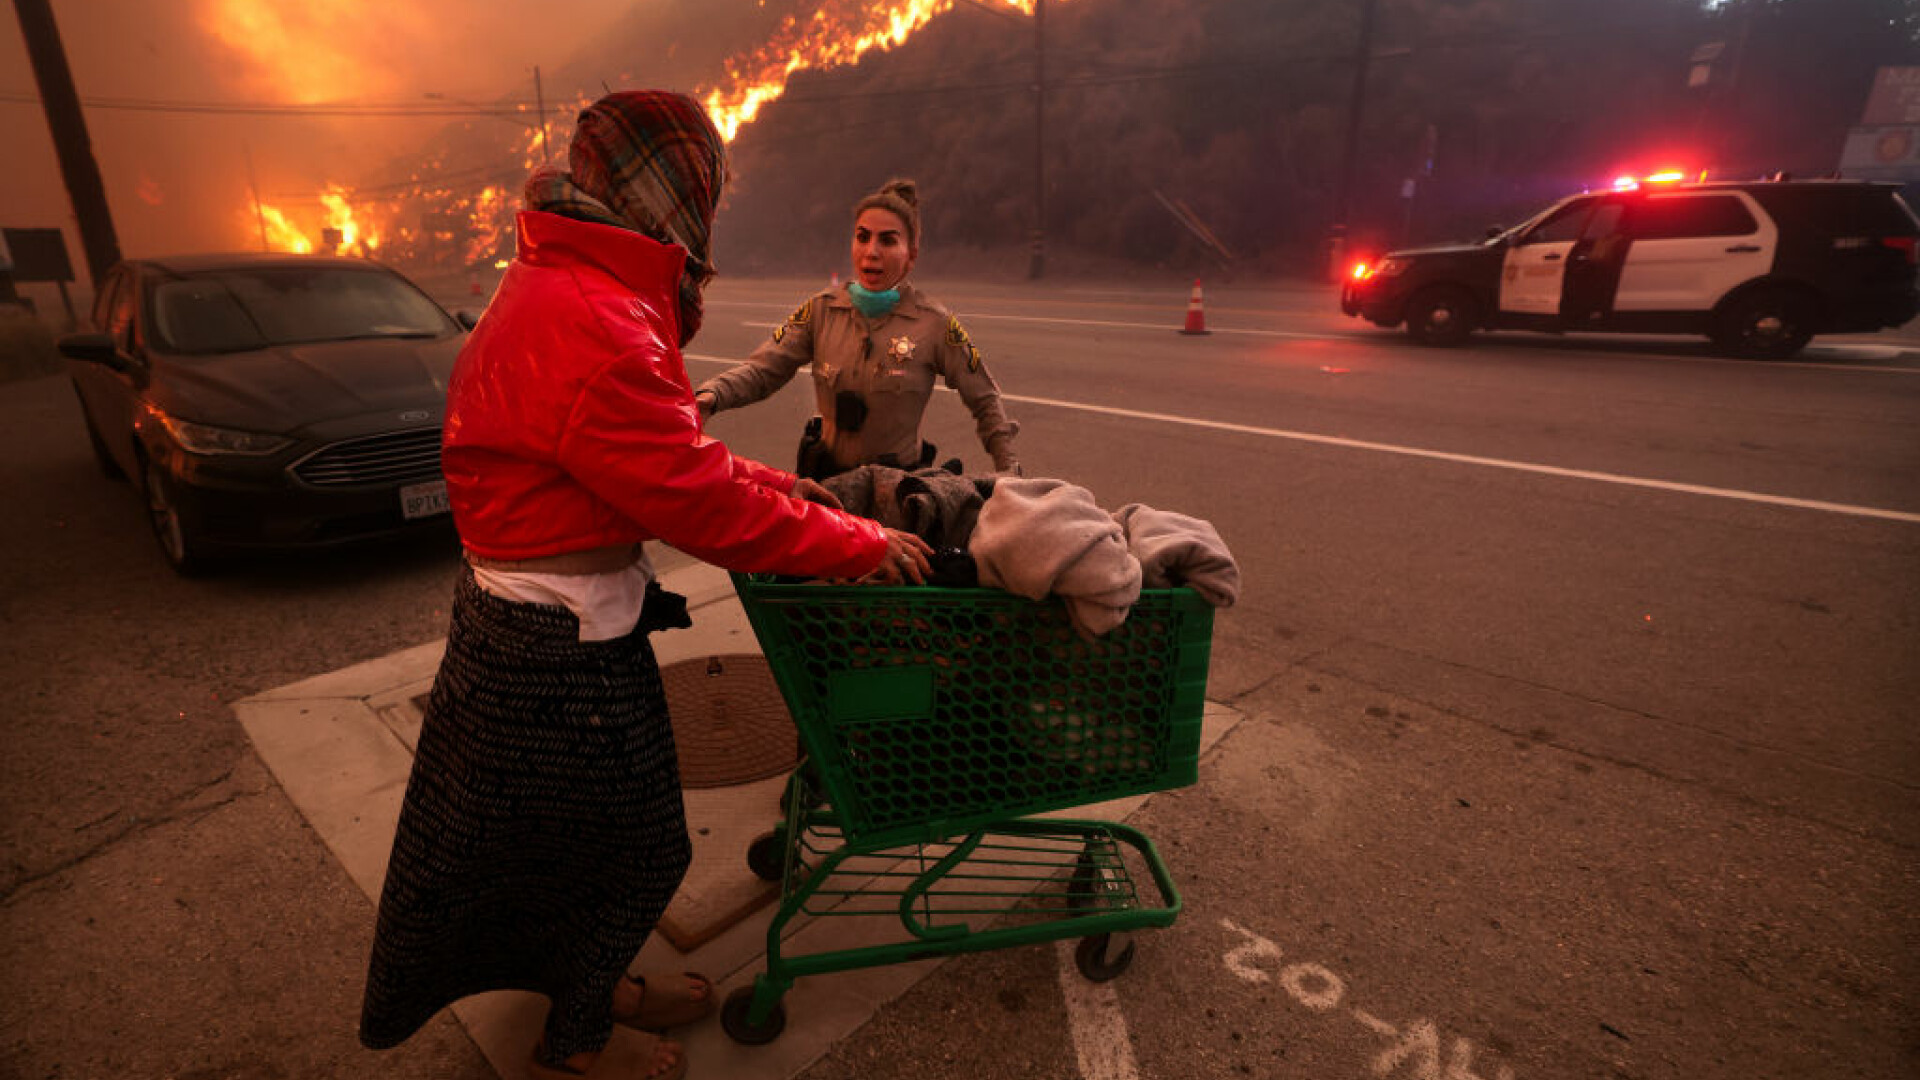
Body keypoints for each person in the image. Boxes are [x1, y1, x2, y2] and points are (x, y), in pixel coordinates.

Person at [357, 91, 933, 1080]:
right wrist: (852, 540)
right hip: (553, 646)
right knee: (637, 853)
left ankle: (595, 982)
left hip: (533, 625)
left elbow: (667, 460)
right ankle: (577, 1040)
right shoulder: (594, 315)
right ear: (675, 195)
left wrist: (786, 487)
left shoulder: (565, 276)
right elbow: (695, 499)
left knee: (567, 847)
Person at [694, 178, 1022, 479]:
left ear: (911, 256)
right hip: (827, 489)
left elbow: (985, 401)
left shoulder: (934, 324)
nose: (871, 251)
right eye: (862, 237)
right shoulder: (820, 311)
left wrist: (1009, 472)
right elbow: (763, 369)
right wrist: (712, 395)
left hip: (896, 493)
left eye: (888, 241)